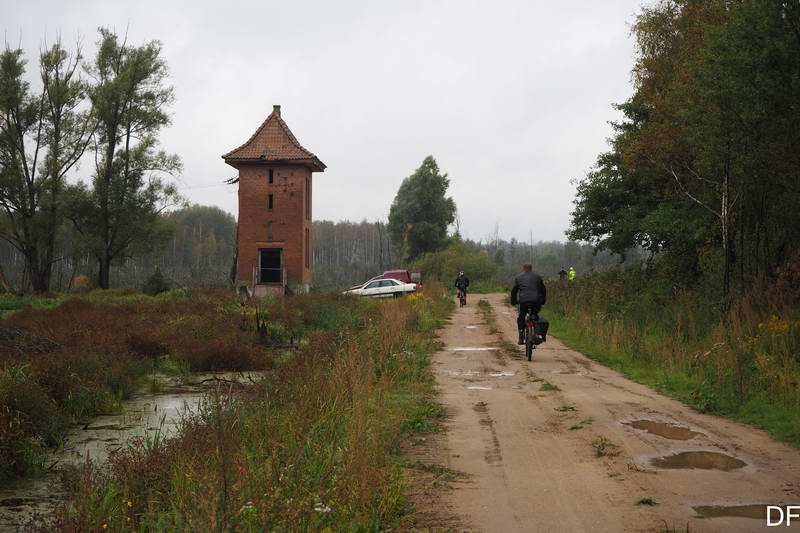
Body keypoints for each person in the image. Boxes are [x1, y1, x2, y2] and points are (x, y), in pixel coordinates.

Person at [510, 263, 547, 344]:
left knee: (521, 316)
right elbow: (543, 290)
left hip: (523, 301)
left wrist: (513, 301)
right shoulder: (537, 277)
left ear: (523, 269)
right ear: (531, 268)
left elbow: (514, 291)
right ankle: (537, 334)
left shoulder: (518, 277)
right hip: (536, 301)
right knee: (535, 315)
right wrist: (543, 301)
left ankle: (521, 336)